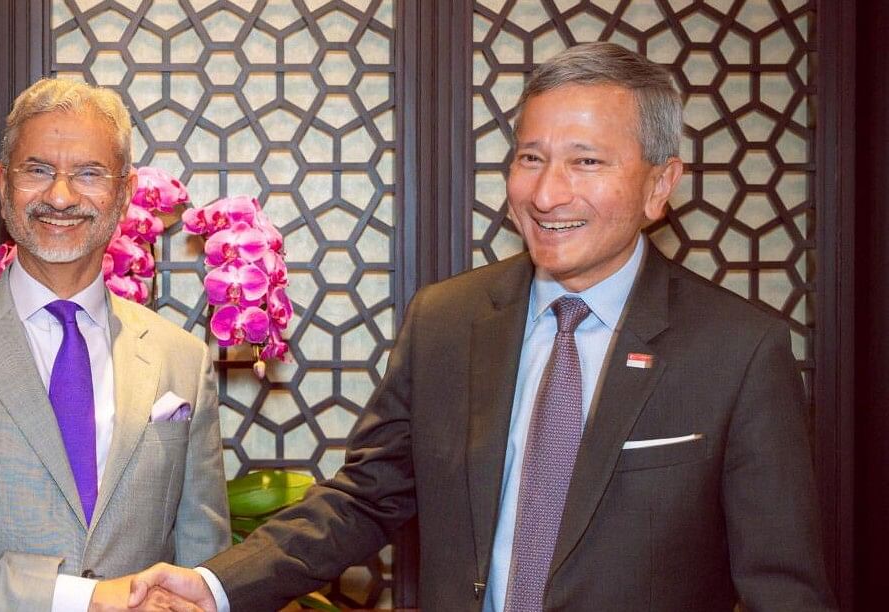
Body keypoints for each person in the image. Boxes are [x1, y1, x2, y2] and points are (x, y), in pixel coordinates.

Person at [127, 42, 837, 612]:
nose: (546, 191)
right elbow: (367, 495)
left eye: (585, 162)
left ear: (659, 184)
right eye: (530, 158)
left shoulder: (739, 351)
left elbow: (782, 588)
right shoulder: (447, 321)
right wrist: (219, 585)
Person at [0, 78, 229, 611]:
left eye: (89, 173)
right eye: (37, 170)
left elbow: (201, 558)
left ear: (123, 195)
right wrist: (81, 599)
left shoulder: (183, 358)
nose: (60, 196)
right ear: (3, 183)